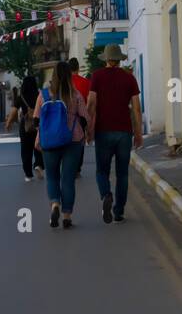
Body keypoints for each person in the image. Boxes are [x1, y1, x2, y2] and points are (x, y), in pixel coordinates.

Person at [87, 43, 143, 224]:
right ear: (119, 60)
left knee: (102, 171)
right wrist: (138, 132)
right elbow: (136, 108)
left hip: (103, 131)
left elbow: (91, 104)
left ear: (106, 59)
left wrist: (89, 130)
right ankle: (119, 211)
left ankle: (106, 195)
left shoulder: (97, 76)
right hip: (124, 133)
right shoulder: (129, 79)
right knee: (123, 174)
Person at [34, 60, 89, 229]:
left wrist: (39, 138)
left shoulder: (43, 94)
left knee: (52, 176)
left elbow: (37, 120)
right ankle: (66, 216)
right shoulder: (76, 94)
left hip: (50, 142)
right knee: (68, 179)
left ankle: (55, 204)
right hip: (73, 141)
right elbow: (85, 118)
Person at [5, 76, 45, 181]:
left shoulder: (21, 97)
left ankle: (28, 175)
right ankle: (38, 165)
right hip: (38, 124)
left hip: (25, 125)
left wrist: (8, 123)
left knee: (25, 150)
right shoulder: (39, 95)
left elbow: (13, 111)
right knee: (38, 146)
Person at [69, 58, 91, 179]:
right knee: (79, 143)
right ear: (78, 68)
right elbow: (89, 102)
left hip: (67, 117)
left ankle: (68, 165)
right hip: (80, 118)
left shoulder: (64, 82)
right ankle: (77, 168)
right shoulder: (85, 82)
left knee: (67, 141)